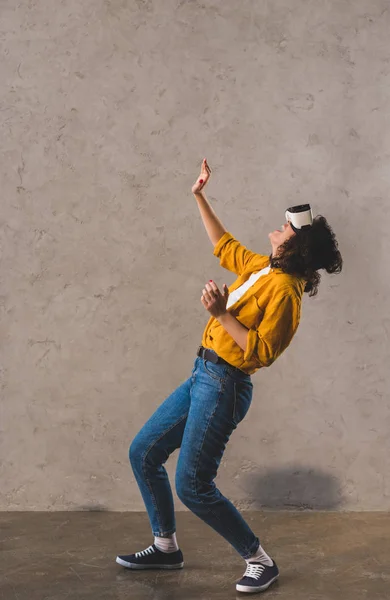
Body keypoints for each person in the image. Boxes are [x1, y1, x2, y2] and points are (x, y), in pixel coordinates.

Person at [116, 159, 343, 594]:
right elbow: (225, 246)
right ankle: (166, 548)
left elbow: (261, 352)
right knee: (144, 452)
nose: (280, 227)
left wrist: (221, 314)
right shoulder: (265, 269)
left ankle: (260, 561)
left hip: (225, 385)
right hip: (203, 373)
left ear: (293, 249)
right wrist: (198, 194)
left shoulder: (286, 293)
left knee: (193, 483)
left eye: (288, 229)